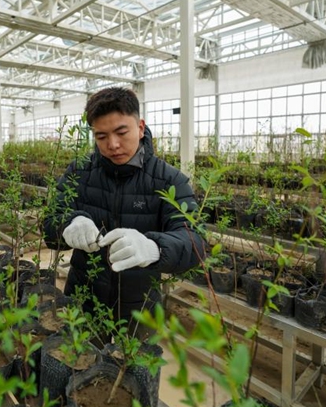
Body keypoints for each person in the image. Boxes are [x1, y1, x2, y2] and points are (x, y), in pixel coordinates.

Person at [43, 87, 205, 338]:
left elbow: (195, 242)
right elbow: (50, 223)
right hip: (83, 300)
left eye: (121, 132)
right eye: (101, 136)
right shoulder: (79, 172)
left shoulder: (168, 180)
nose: (113, 145)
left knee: (134, 361)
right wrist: (68, 224)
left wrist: (155, 248)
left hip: (140, 307)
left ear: (140, 127)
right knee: (80, 356)